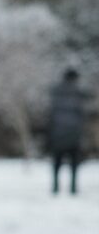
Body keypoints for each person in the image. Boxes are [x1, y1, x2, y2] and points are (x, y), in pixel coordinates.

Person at [47, 67, 87, 195]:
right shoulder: (78, 93)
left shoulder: (55, 91)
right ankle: (73, 187)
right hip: (73, 133)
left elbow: (51, 114)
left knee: (57, 162)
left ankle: (55, 186)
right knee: (74, 162)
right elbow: (81, 113)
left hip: (57, 133)